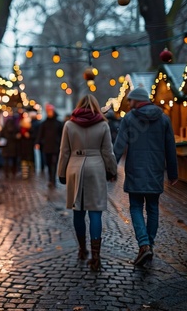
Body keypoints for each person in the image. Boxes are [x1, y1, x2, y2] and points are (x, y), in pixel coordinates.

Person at [113, 88, 178, 266]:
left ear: (137, 101)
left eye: (130, 100)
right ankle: (149, 245)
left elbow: (119, 146)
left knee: (135, 207)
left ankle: (144, 245)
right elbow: (170, 147)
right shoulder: (164, 118)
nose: (129, 103)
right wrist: (173, 173)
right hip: (155, 171)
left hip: (135, 170)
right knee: (152, 208)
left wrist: (110, 169)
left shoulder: (129, 119)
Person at [57, 95, 117, 271]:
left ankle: (82, 250)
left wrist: (61, 173)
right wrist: (112, 170)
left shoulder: (69, 125)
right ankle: (96, 256)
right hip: (96, 167)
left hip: (75, 167)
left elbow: (64, 151)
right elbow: (108, 151)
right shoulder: (103, 124)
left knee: (78, 211)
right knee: (95, 211)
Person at [35, 103, 63, 188]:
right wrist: (38, 142)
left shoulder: (58, 123)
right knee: (48, 164)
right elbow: (40, 134)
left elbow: (62, 134)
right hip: (46, 147)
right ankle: (50, 179)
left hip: (55, 147)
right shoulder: (44, 123)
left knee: (54, 164)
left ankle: (53, 180)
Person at [0, 112, 20, 178]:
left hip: (6, 147)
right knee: (14, 161)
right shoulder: (15, 128)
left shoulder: (4, 129)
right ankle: (14, 172)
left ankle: (6, 173)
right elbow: (17, 137)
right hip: (14, 147)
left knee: (6, 161)